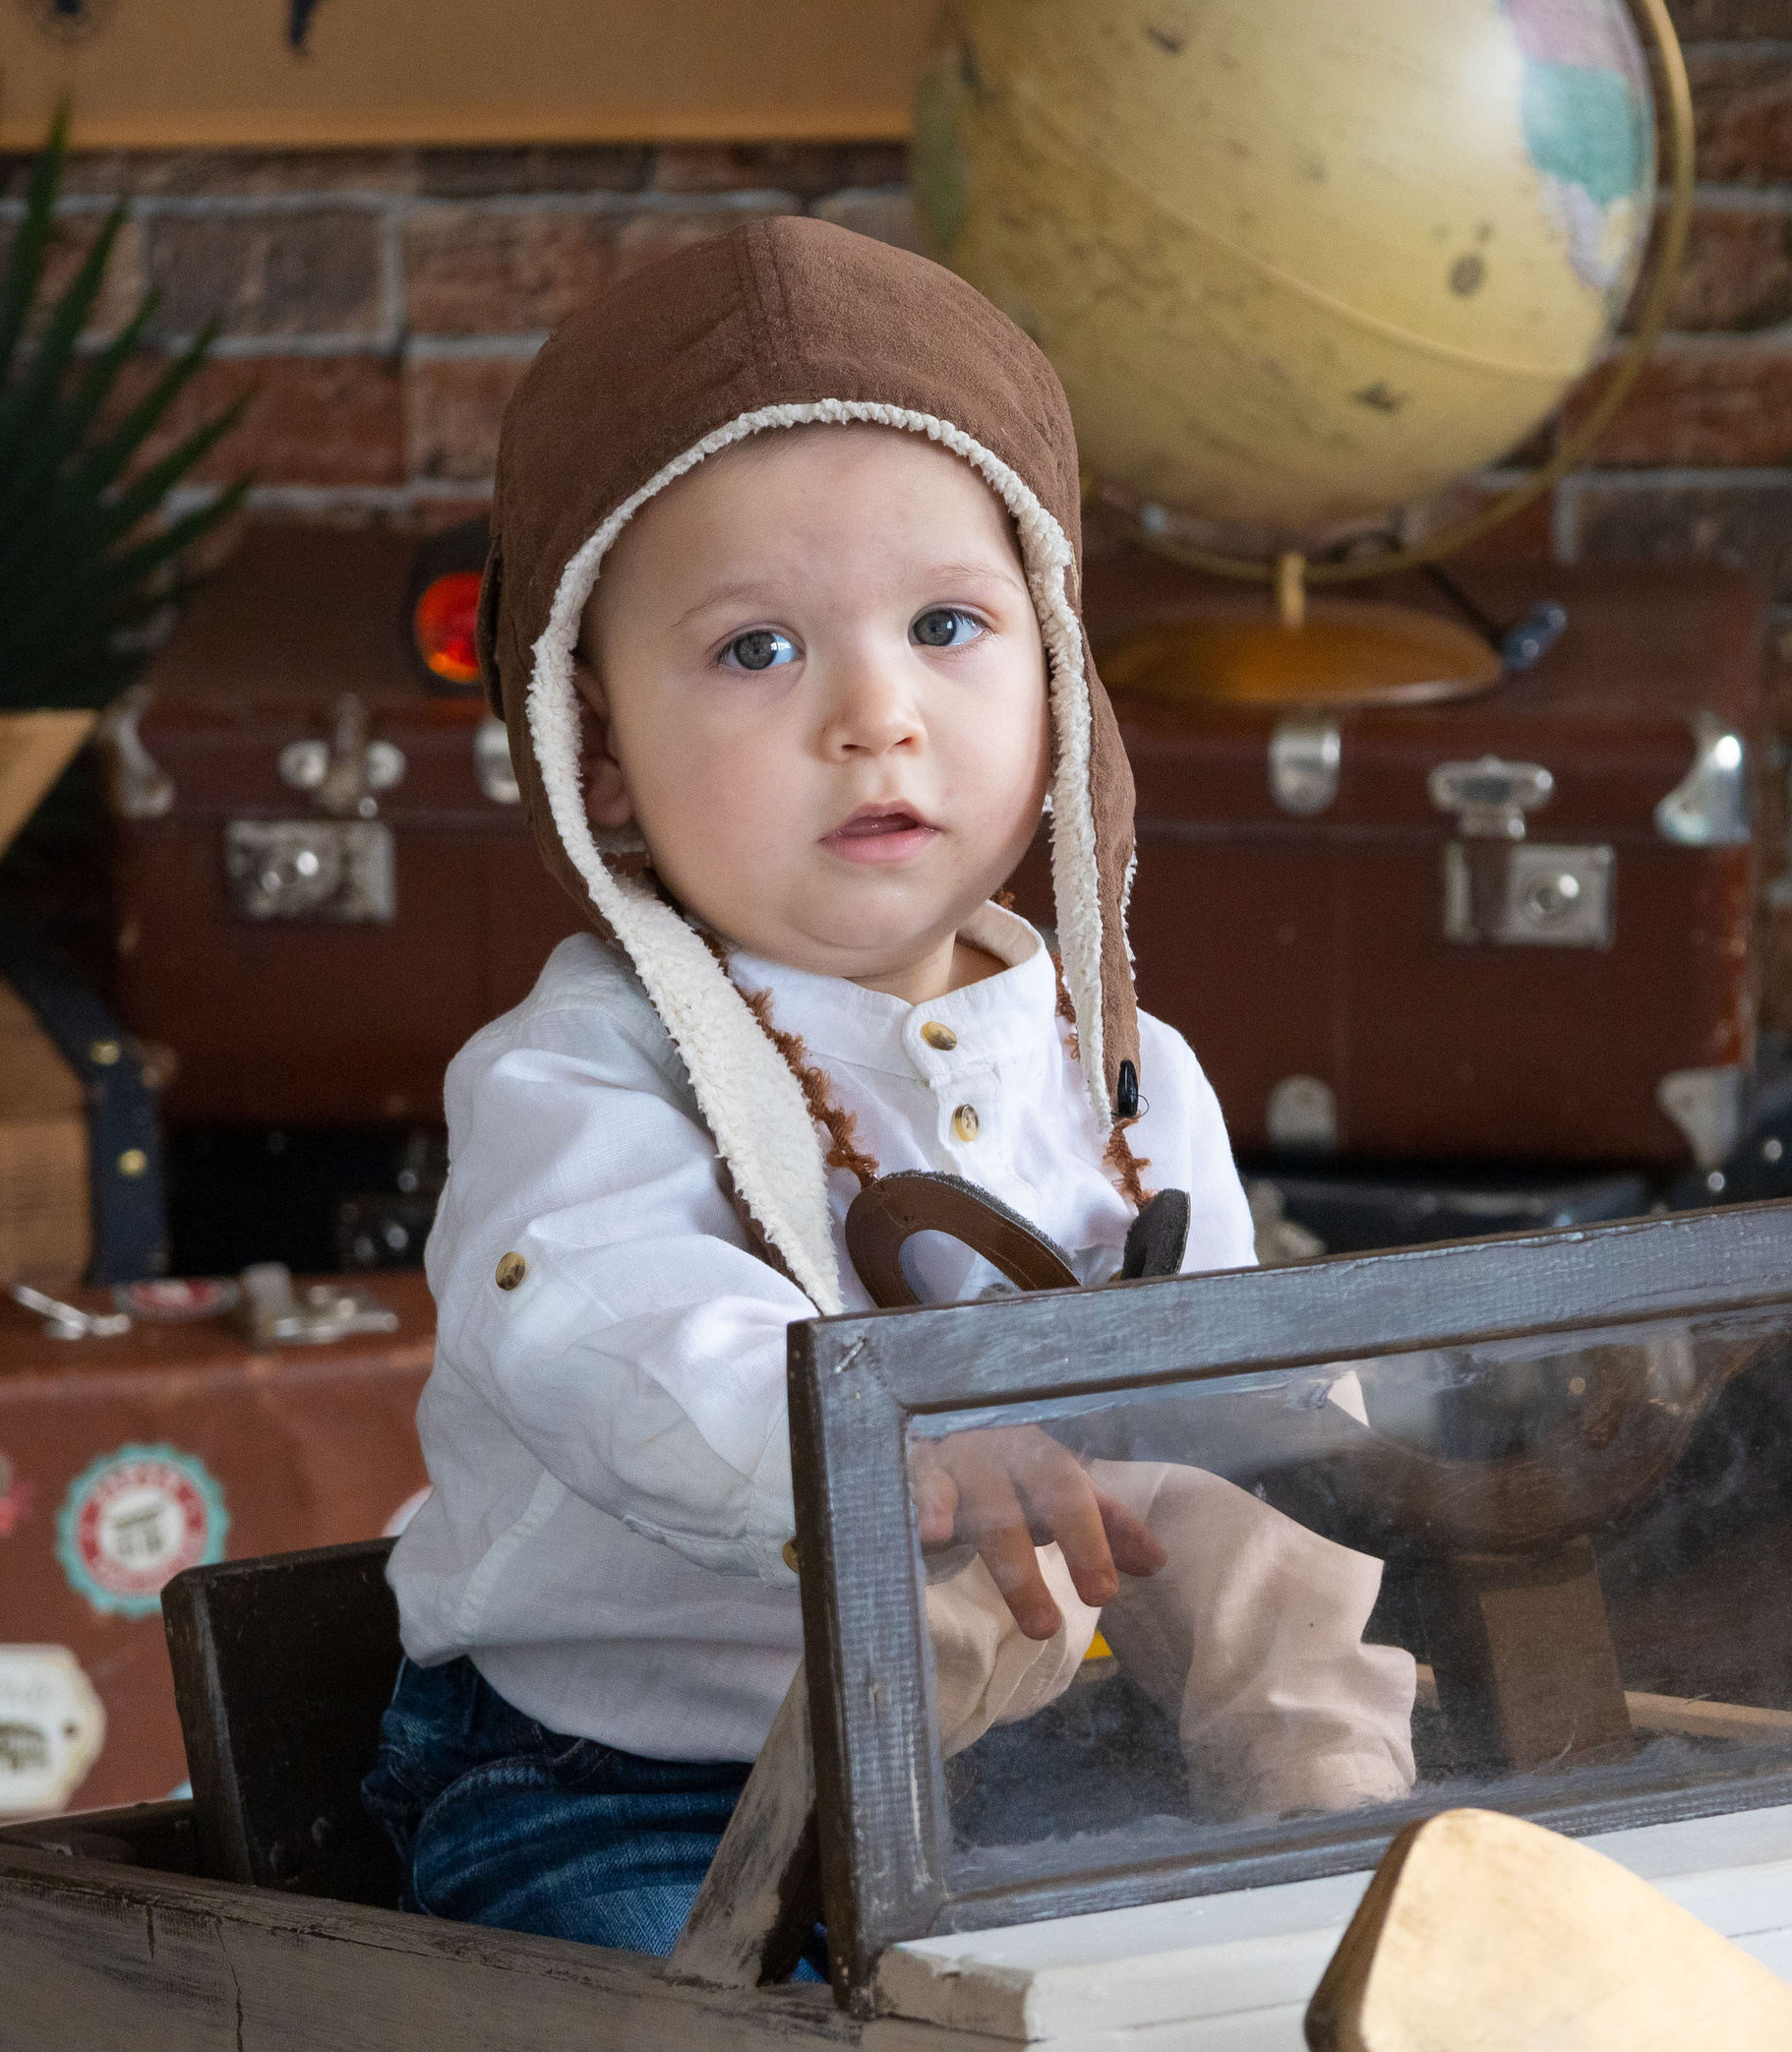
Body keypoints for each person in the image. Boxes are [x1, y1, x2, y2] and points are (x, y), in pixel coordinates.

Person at [364, 218, 1414, 1957]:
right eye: (755, 650)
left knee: (1171, 1962)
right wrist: (900, 1458)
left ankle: (1344, 1875)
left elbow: (1226, 1406)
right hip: (635, 1771)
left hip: (1014, 1737)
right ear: (596, 753)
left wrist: (1344, 1462)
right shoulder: (580, 1078)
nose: (876, 713)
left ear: (1059, 678)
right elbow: (626, 1333)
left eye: (946, 625)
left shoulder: (1133, 1077)